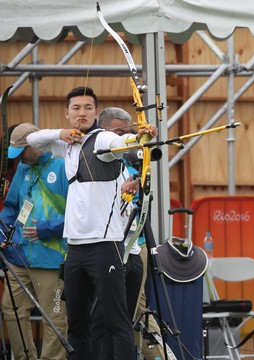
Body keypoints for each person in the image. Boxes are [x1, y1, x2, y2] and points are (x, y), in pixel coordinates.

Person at [26, 86, 158, 360]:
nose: (82, 113)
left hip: (104, 246)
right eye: (76, 108)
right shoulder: (65, 144)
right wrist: (60, 133)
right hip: (74, 249)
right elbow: (32, 139)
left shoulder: (102, 140)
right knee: (77, 325)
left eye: (88, 108)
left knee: (116, 321)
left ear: (96, 113)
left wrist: (140, 136)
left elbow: (121, 143)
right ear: (67, 113)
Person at [96, 107, 166, 360]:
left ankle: (154, 355)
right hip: (105, 248)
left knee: (136, 307)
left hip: (136, 244)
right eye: (118, 133)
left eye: (128, 133)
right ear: (102, 132)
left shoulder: (131, 158)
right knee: (106, 313)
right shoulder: (94, 161)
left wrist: (146, 136)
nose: (125, 139)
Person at [0, 123, 68, 360]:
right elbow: (10, 206)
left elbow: (78, 213)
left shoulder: (63, 164)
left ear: (35, 146)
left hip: (52, 259)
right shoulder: (23, 168)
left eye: (20, 152)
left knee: (55, 316)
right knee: (12, 309)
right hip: (19, 256)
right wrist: (3, 232)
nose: (17, 159)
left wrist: (46, 229)